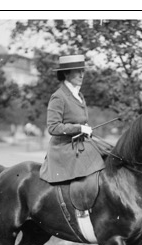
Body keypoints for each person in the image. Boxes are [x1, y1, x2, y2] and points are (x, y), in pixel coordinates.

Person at [39, 54, 105, 183]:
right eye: (77, 72)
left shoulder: (79, 95)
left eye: (82, 71)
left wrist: (86, 130)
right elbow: (53, 127)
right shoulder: (58, 97)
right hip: (63, 148)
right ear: (66, 74)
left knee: (108, 153)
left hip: (79, 144)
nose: (82, 75)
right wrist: (79, 128)